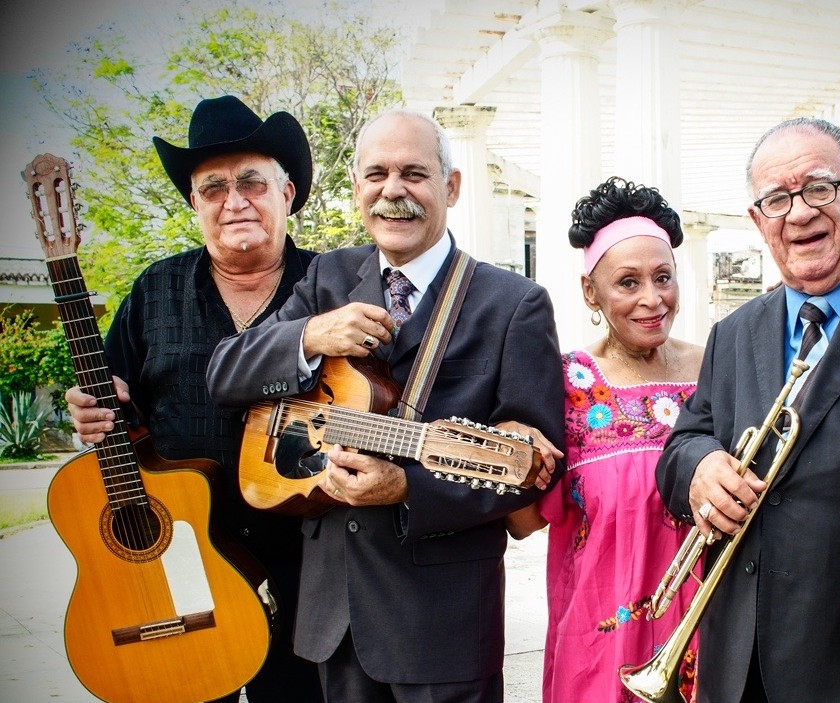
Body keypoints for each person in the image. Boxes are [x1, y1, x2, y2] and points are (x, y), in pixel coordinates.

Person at [204, 108, 565, 703]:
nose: (392, 191)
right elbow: (225, 373)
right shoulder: (327, 278)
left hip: (442, 624)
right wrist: (310, 335)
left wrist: (407, 488)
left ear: (450, 187)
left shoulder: (514, 305)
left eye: (414, 173)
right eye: (376, 174)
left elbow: (532, 472)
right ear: (356, 188)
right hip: (335, 616)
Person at [65, 95, 323, 703]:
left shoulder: (331, 283)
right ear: (193, 203)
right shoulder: (155, 290)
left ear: (287, 193)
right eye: (213, 188)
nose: (234, 201)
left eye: (252, 182)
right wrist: (92, 412)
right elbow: (115, 412)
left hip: (305, 557)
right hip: (180, 560)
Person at [654, 117, 840, 703]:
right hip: (738, 659)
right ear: (757, 220)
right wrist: (699, 470)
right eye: (776, 199)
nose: (798, 213)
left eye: (819, 187)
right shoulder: (735, 332)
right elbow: (684, 444)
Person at [505, 177, 704, 702]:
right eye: (628, 282)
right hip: (600, 646)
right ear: (590, 292)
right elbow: (523, 521)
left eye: (663, 278)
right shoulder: (566, 384)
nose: (652, 299)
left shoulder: (716, 366)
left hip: (711, 633)